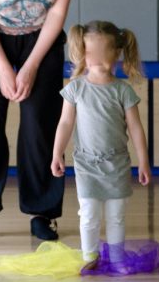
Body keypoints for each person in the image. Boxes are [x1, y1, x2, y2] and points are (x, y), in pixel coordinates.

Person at [0, 0, 72, 241]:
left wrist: (30, 67)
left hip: (42, 37)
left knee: (40, 125)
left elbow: (56, 13)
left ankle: (42, 213)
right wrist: (2, 67)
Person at [51, 20, 150, 269]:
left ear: (116, 53)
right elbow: (65, 124)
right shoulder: (75, 89)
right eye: (90, 53)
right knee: (89, 214)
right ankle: (89, 257)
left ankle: (116, 259)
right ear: (83, 53)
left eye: (102, 53)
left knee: (116, 215)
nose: (95, 59)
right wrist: (57, 153)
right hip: (86, 163)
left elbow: (136, 128)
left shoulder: (122, 91)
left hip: (117, 163)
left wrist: (144, 162)